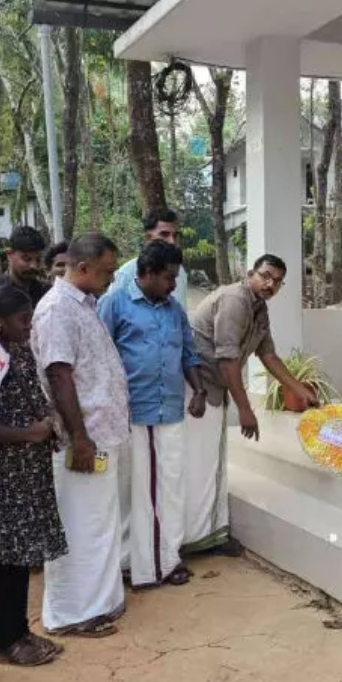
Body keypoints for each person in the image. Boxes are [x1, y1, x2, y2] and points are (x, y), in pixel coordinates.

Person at [30, 233, 130, 638]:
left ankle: (99, 602)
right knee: (79, 526)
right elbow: (59, 374)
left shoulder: (84, 304)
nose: (111, 278)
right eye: (107, 271)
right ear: (83, 268)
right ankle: (72, 613)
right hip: (81, 441)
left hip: (100, 436)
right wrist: (80, 437)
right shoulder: (57, 309)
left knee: (98, 522)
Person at [184, 254, 318, 555]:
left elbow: (268, 355)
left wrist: (300, 390)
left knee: (210, 463)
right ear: (250, 274)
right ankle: (193, 539)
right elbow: (227, 361)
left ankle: (208, 535)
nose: (270, 284)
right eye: (265, 276)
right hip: (198, 391)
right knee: (200, 464)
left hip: (215, 389)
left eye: (277, 281)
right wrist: (245, 410)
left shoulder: (259, 308)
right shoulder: (235, 300)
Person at [98, 241, 205, 589]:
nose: (173, 285)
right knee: (135, 492)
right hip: (133, 412)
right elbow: (99, 357)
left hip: (169, 410)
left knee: (169, 489)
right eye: (168, 277)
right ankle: (136, 564)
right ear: (146, 273)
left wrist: (199, 391)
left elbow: (188, 354)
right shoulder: (115, 303)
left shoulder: (174, 310)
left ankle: (165, 559)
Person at [0, 280, 68, 666]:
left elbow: (36, 395)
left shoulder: (21, 350)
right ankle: (6, 640)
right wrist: (30, 433)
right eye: (22, 319)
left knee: (21, 555)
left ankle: (21, 632)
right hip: (0, 476)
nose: (29, 325)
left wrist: (49, 423)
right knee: (2, 559)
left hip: (28, 471)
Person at [107, 208, 188, 308]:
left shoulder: (180, 273)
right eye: (164, 234)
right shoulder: (125, 275)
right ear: (147, 238)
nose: (172, 241)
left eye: (175, 236)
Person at [4, 224, 52, 306]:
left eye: (38, 260)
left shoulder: (48, 293)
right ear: (9, 255)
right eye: (27, 259)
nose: (34, 266)